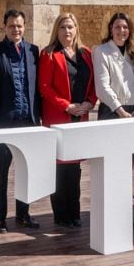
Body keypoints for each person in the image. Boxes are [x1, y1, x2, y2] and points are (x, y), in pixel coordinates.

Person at [37, 13, 96, 228]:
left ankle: (75, 212)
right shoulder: (49, 54)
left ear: (76, 29)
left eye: (70, 26)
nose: (67, 31)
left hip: (80, 117)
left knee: (76, 168)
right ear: (57, 30)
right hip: (59, 116)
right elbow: (45, 88)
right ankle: (61, 215)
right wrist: (66, 105)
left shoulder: (87, 54)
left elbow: (94, 84)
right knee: (60, 168)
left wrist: (90, 102)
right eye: (63, 27)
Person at [0, 9, 42, 232]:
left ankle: (23, 214)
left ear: (24, 26)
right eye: (11, 26)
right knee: (1, 170)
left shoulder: (33, 51)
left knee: (25, 169)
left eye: (19, 25)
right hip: (3, 121)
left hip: (28, 120)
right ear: (4, 27)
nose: (15, 29)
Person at [93, 11, 134, 122]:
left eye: (125, 27)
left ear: (129, 30)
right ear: (111, 29)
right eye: (117, 27)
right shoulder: (101, 51)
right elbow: (102, 87)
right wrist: (120, 111)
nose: (121, 30)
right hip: (111, 110)